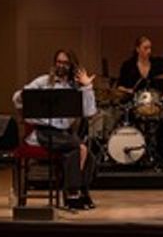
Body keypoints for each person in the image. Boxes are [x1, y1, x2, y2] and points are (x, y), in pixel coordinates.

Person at [13, 49, 99, 209]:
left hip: (64, 135)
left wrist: (87, 87)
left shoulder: (76, 88)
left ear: (72, 66)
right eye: (58, 62)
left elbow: (89, 112)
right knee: (79, 148)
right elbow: (17, 98)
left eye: (65, 63)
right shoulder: (44, 82)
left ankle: (77, 192)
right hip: (43, 132)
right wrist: (24, 96)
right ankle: (75, 193)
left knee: (85, 154)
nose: (61, 66)